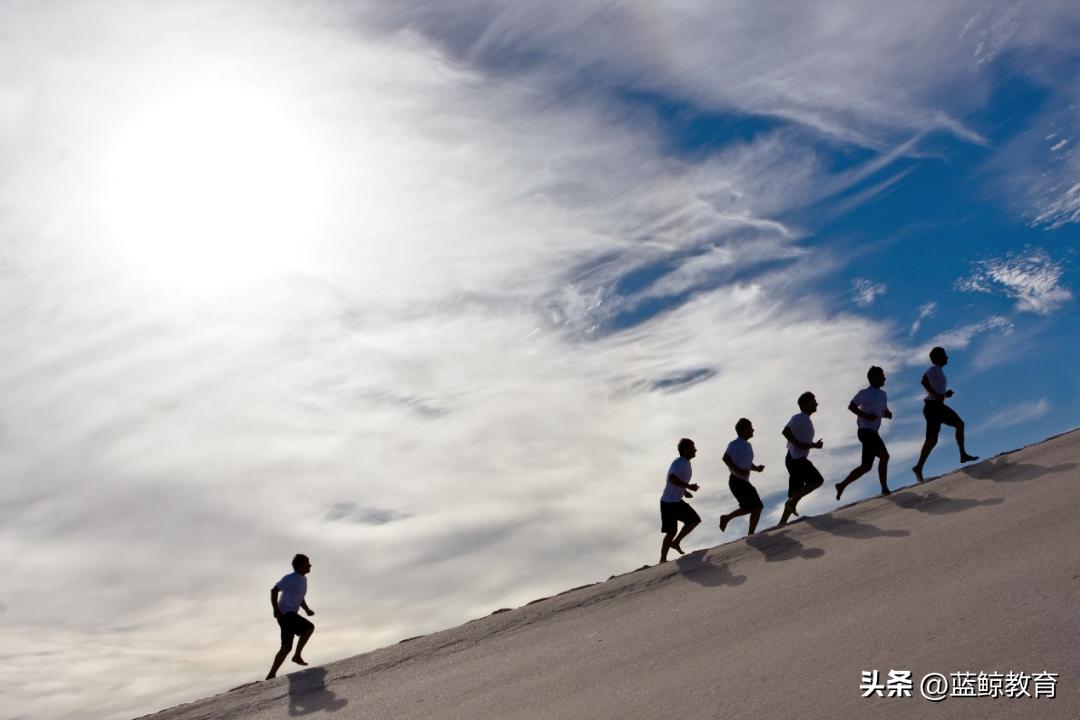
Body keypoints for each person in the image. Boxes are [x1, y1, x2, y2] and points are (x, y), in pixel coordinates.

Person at [912, 347, 979, 482]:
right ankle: (919, 467)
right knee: (934, 438)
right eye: (944, 355)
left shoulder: (938, 371)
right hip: (932, 407)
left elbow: (935, 390)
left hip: (937, 406)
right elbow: (924, 381)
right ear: (937, 358)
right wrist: (936, 395)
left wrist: (944, 394)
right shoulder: (934, 369)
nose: (947, 357)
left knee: (955, 427)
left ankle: (962, 455)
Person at [836, 366, 893, 500]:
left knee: (866, 466)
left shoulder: (883, 395)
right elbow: (851, 406)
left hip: (872, 431)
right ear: (873, 378)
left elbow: (882, 411)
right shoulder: (865, 393)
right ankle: (884, 489)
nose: (884, 378)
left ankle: (841, 485)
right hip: (865, 431)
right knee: (884, 456)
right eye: (881, 376)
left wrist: (887, 414)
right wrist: (865, 416)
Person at [266, 553, 316, 680]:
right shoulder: (290, 578)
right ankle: (297, 656)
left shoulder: (303, 580)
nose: (310, 565)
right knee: (309, 628)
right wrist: (275, 609)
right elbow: (274, 590)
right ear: (300, 565)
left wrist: (306, 609)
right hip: (286, 613)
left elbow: (300, 597)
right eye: (307, 563)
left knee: (286, 646)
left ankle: (271, 675)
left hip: (288, 614)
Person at [779, 392, 825, 525]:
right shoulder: (799, 417)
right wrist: (798, 444)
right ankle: (792, 503)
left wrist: (814, 445)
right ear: (805, 404)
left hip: (794, 459)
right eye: (813, 401)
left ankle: (782, 523)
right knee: (817, 480)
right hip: (796, 459)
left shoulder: (806, 420)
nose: (816, 404)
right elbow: (785, 431)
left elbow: (802, 443)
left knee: (794, 493)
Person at [719, 418, 765, 536]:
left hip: (741, 481)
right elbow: (726, 458)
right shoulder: (735, 443)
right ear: (744, 430)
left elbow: (747, 463)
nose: (753, 430)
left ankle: (727, 518)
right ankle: (751, 534)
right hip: (736, 481)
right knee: (757, 506)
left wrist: (756, 468)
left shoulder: (748, 445)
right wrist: (738, 470)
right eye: (750, 428)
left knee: (752, 507)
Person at [660, 438, 701, 563]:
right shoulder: (679, 463)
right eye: (692, 448)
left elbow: (676, 480)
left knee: (694, 520)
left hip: (676, 501)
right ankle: (662, 560)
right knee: (671, 531)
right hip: (668, 503)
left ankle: (676, 542)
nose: (695, 450)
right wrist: (688, 486)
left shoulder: (686, 463)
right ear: (685, 450)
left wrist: (685, 491)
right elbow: (671, 478)